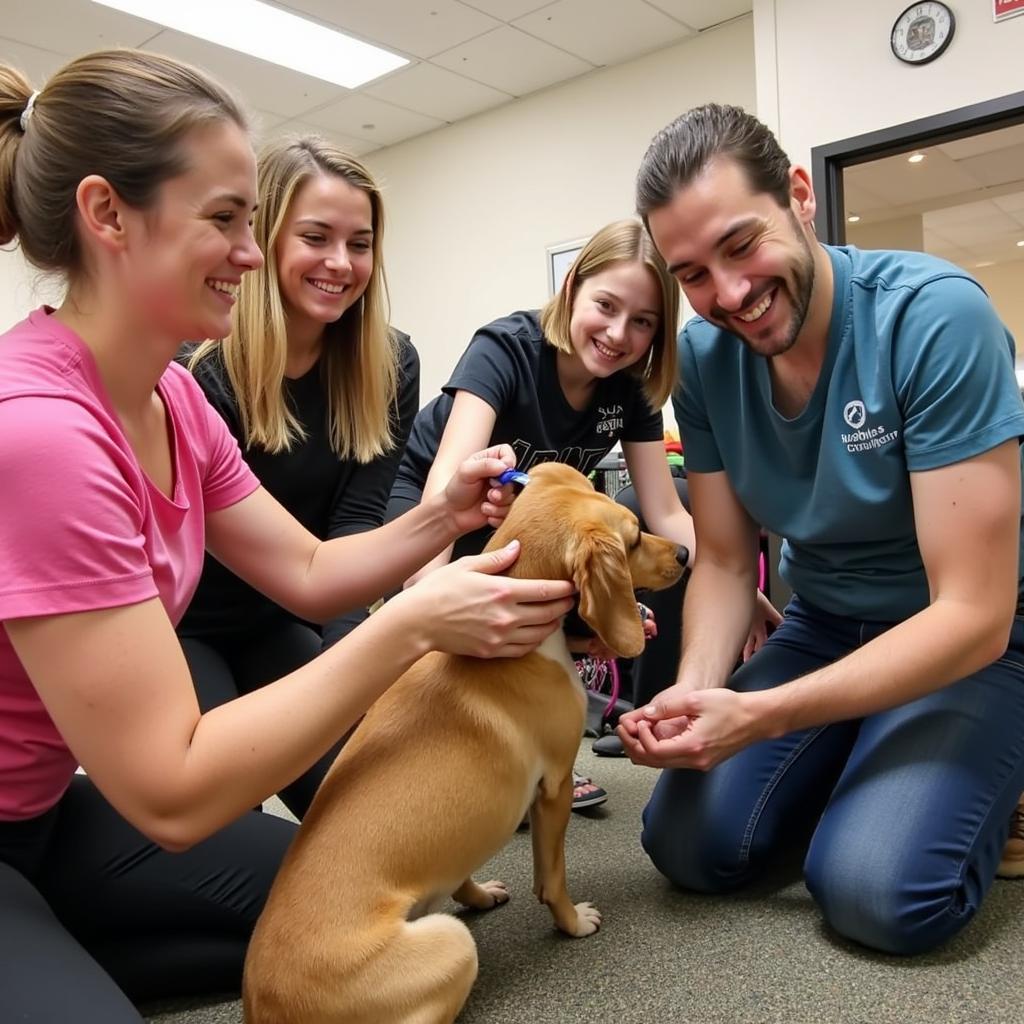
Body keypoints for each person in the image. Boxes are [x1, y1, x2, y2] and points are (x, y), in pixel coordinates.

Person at [0, 51, 575, 1022]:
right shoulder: (42, 430)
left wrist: (446, 516)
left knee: (330, 923)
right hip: (62, 811)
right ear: (106, 216)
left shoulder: (171, 395)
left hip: (49, 813)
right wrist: (413, 627)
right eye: (225, 219)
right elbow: (174, 790)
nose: (253, 254)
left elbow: (307, 572)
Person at [619, 102, 1024, 955]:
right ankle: (873, 756)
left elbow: (972, 613)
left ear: (799, 196)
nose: (727, 295)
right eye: (692, 273)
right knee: (686, 845)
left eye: (741, 245)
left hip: (968, 636)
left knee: (878, 894)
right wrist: (700, 692)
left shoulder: (931, 316)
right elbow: (728, 564)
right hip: (827, 620)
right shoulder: (700, 360)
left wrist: (764, 719)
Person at [388, 219, 779, 806]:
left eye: (643, 321)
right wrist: (426, 590)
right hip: (443, 512)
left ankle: (539, 765)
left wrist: (739, 584)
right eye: (606, 305)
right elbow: (447, 482)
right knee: (448, 643)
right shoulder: (507, 348)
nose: (619, 334)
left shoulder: (630, 390)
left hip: (525, 527)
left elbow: (667, 516)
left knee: (566, 631)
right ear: (572, 286)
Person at [177, 137, 419, 819]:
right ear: (266, 239)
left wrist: (346, 678)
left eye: (360, 243)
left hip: (286, 617)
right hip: (180, 628)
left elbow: (355, 529)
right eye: (316, 237)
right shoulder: (198, 368)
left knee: (367, 822)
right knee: (219, 822)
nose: (341, 264)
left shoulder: (390, 364)